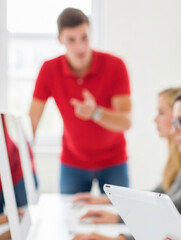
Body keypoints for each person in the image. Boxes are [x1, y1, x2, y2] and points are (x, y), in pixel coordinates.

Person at [73, 89, 181, 240]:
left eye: (178, 121)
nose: (173, 128)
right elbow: (162, 197)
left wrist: (120, 232)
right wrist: (110, 205)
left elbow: (179, 211)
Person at [28, 8, 132, 194]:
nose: (80, 46)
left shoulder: (115, 65)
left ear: (90, 33)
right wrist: (22, 158)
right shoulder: (49, 69)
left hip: (114, 160)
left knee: (119, 217)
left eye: (84, 37)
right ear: (60, 39)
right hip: (73, 162)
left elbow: (125, 121)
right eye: (71, 40)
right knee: (68, 217)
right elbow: (32, 120)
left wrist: (96, 113)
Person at [73, 87, 181, 208]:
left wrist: (117, 218)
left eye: (161, 113)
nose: (155, 119)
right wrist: (105, 200)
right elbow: (159, 192)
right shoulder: (175, 158)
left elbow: (170, 203)